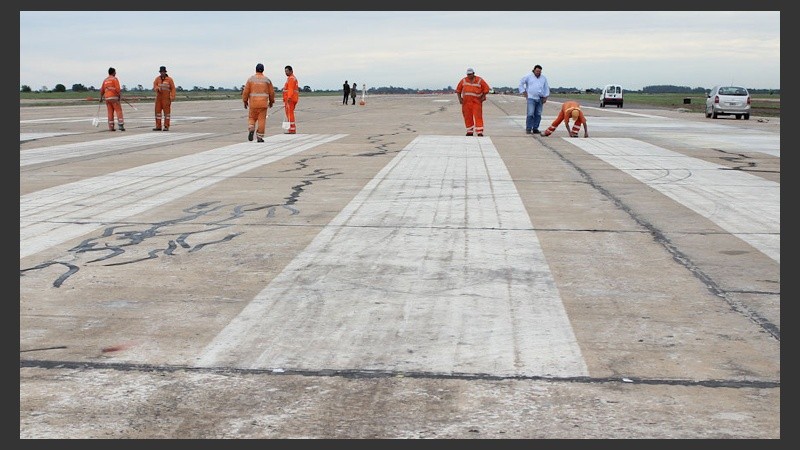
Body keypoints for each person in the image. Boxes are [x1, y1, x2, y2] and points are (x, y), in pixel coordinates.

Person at [242, 63, 275, 143]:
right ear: (263, 70)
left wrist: (245, 101)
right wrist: (271, 101)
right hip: (263, 104)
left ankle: (251, 127)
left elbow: (245, 92)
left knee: (251, 118)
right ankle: (259, 137)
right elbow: (272, 92)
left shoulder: (250, 79)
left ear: (255, 69)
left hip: (253, 103)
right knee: (262, 120)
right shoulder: (267, 80)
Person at [455, 67, 490, 137]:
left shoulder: (479, 80)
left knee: (478, 117)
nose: (469, 76)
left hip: (476, 102)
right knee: (467, 117)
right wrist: (460, 99)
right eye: (468, 74)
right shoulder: (463, 81)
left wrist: (483, 96)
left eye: (470, 74)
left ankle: (479, 132)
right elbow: (458, 90)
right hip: (466, 102)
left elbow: (486, 89)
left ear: (473, 74)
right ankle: (469, 131)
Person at [518, 64, 550, 134]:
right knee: (530, 113)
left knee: (538, 114)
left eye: (540, 71)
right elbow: (521, 83)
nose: (538, 73)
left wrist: (546, 97)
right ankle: (528, 128)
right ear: (534, 70)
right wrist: (524, 93)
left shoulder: (543, 78)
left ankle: (535, 128)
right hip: (531, 98)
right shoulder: (528, 76)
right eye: (537, 71)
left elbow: (546, 87)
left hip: (540, 98)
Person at [99, 67, 125, 131]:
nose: (115, 73)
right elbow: (117, 88)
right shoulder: (115, 79)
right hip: (114, 98)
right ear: (113, 72)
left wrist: (101, 97)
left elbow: (102, 90)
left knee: (110, 112)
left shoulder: (105, 80)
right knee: (119, 111)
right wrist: (120, 96)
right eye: (115, 72)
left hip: (107, 98)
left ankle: (111, 127)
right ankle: (121, 125)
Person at [152, 65, 176, 131]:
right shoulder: (157, 79)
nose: (162, 73)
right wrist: (157, 88)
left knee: (167, 114)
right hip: (159, 99)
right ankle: (158, 126)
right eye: (161, 72)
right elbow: (154, 86)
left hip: (166, 99)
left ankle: (166, 126)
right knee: (157, 113)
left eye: (163, 72)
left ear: (165, 72)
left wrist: (172, 96)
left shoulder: (169, 79)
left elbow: (173, 88)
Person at [282, 65, 299, 134]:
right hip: (292, 99)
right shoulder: (291, 78)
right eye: (285, 71)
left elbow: (290, 89)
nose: (286, 73)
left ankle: (292, 129)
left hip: (290, 99)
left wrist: (288, 97)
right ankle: (291, 128)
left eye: (287, 71)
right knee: (289, 113)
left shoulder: (291, 79)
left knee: (290, 114)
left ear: (291, 71)